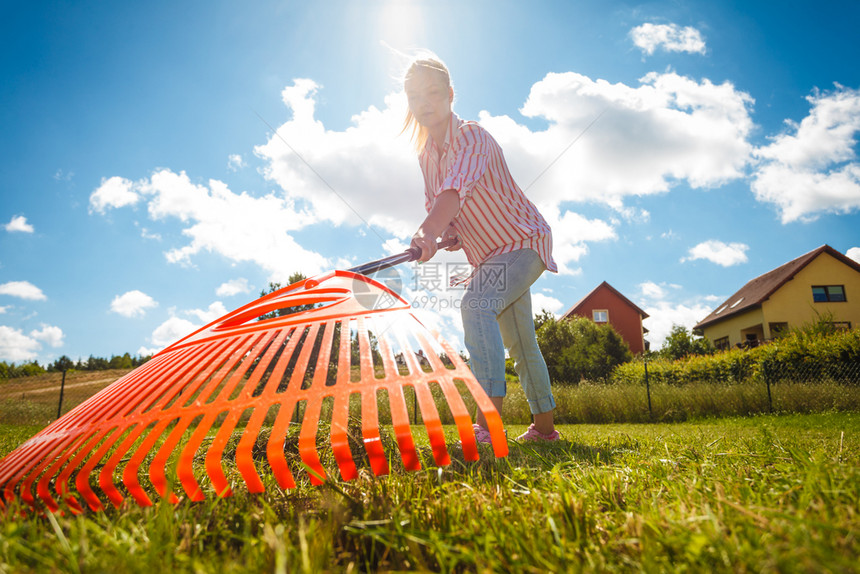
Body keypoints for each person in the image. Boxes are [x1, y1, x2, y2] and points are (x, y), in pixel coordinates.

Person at [402, 55, 560, 443]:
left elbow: (456, 189)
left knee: (476, 304)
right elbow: (445, 207)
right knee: (521, 341)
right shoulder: (426, 157)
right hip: (490, 256)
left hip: (524, 241)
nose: (424, 102)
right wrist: (447, 234)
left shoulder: (472, 136)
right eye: (414, 95)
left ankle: (487, 425)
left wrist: (427, 231)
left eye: (433, 92)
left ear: (451, 95)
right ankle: (545, 431)